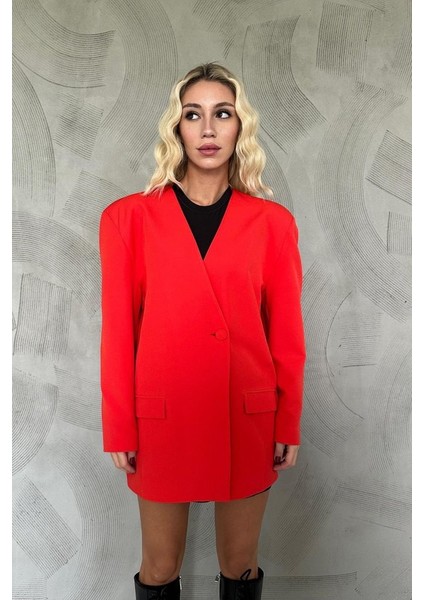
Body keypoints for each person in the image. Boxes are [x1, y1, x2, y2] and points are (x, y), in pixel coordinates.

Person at [98, 62, 307, 600]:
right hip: (161, 416)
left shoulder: (273, 223)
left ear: (241, 127)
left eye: (223, 114)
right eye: (193, 115)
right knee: (159, 566)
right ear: (177, 127)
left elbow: (286, 335)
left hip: (247, 414)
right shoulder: (127, 220)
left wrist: (287, 418)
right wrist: (119, 426)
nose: (208, 129)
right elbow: (119, 333)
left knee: (240, 564)